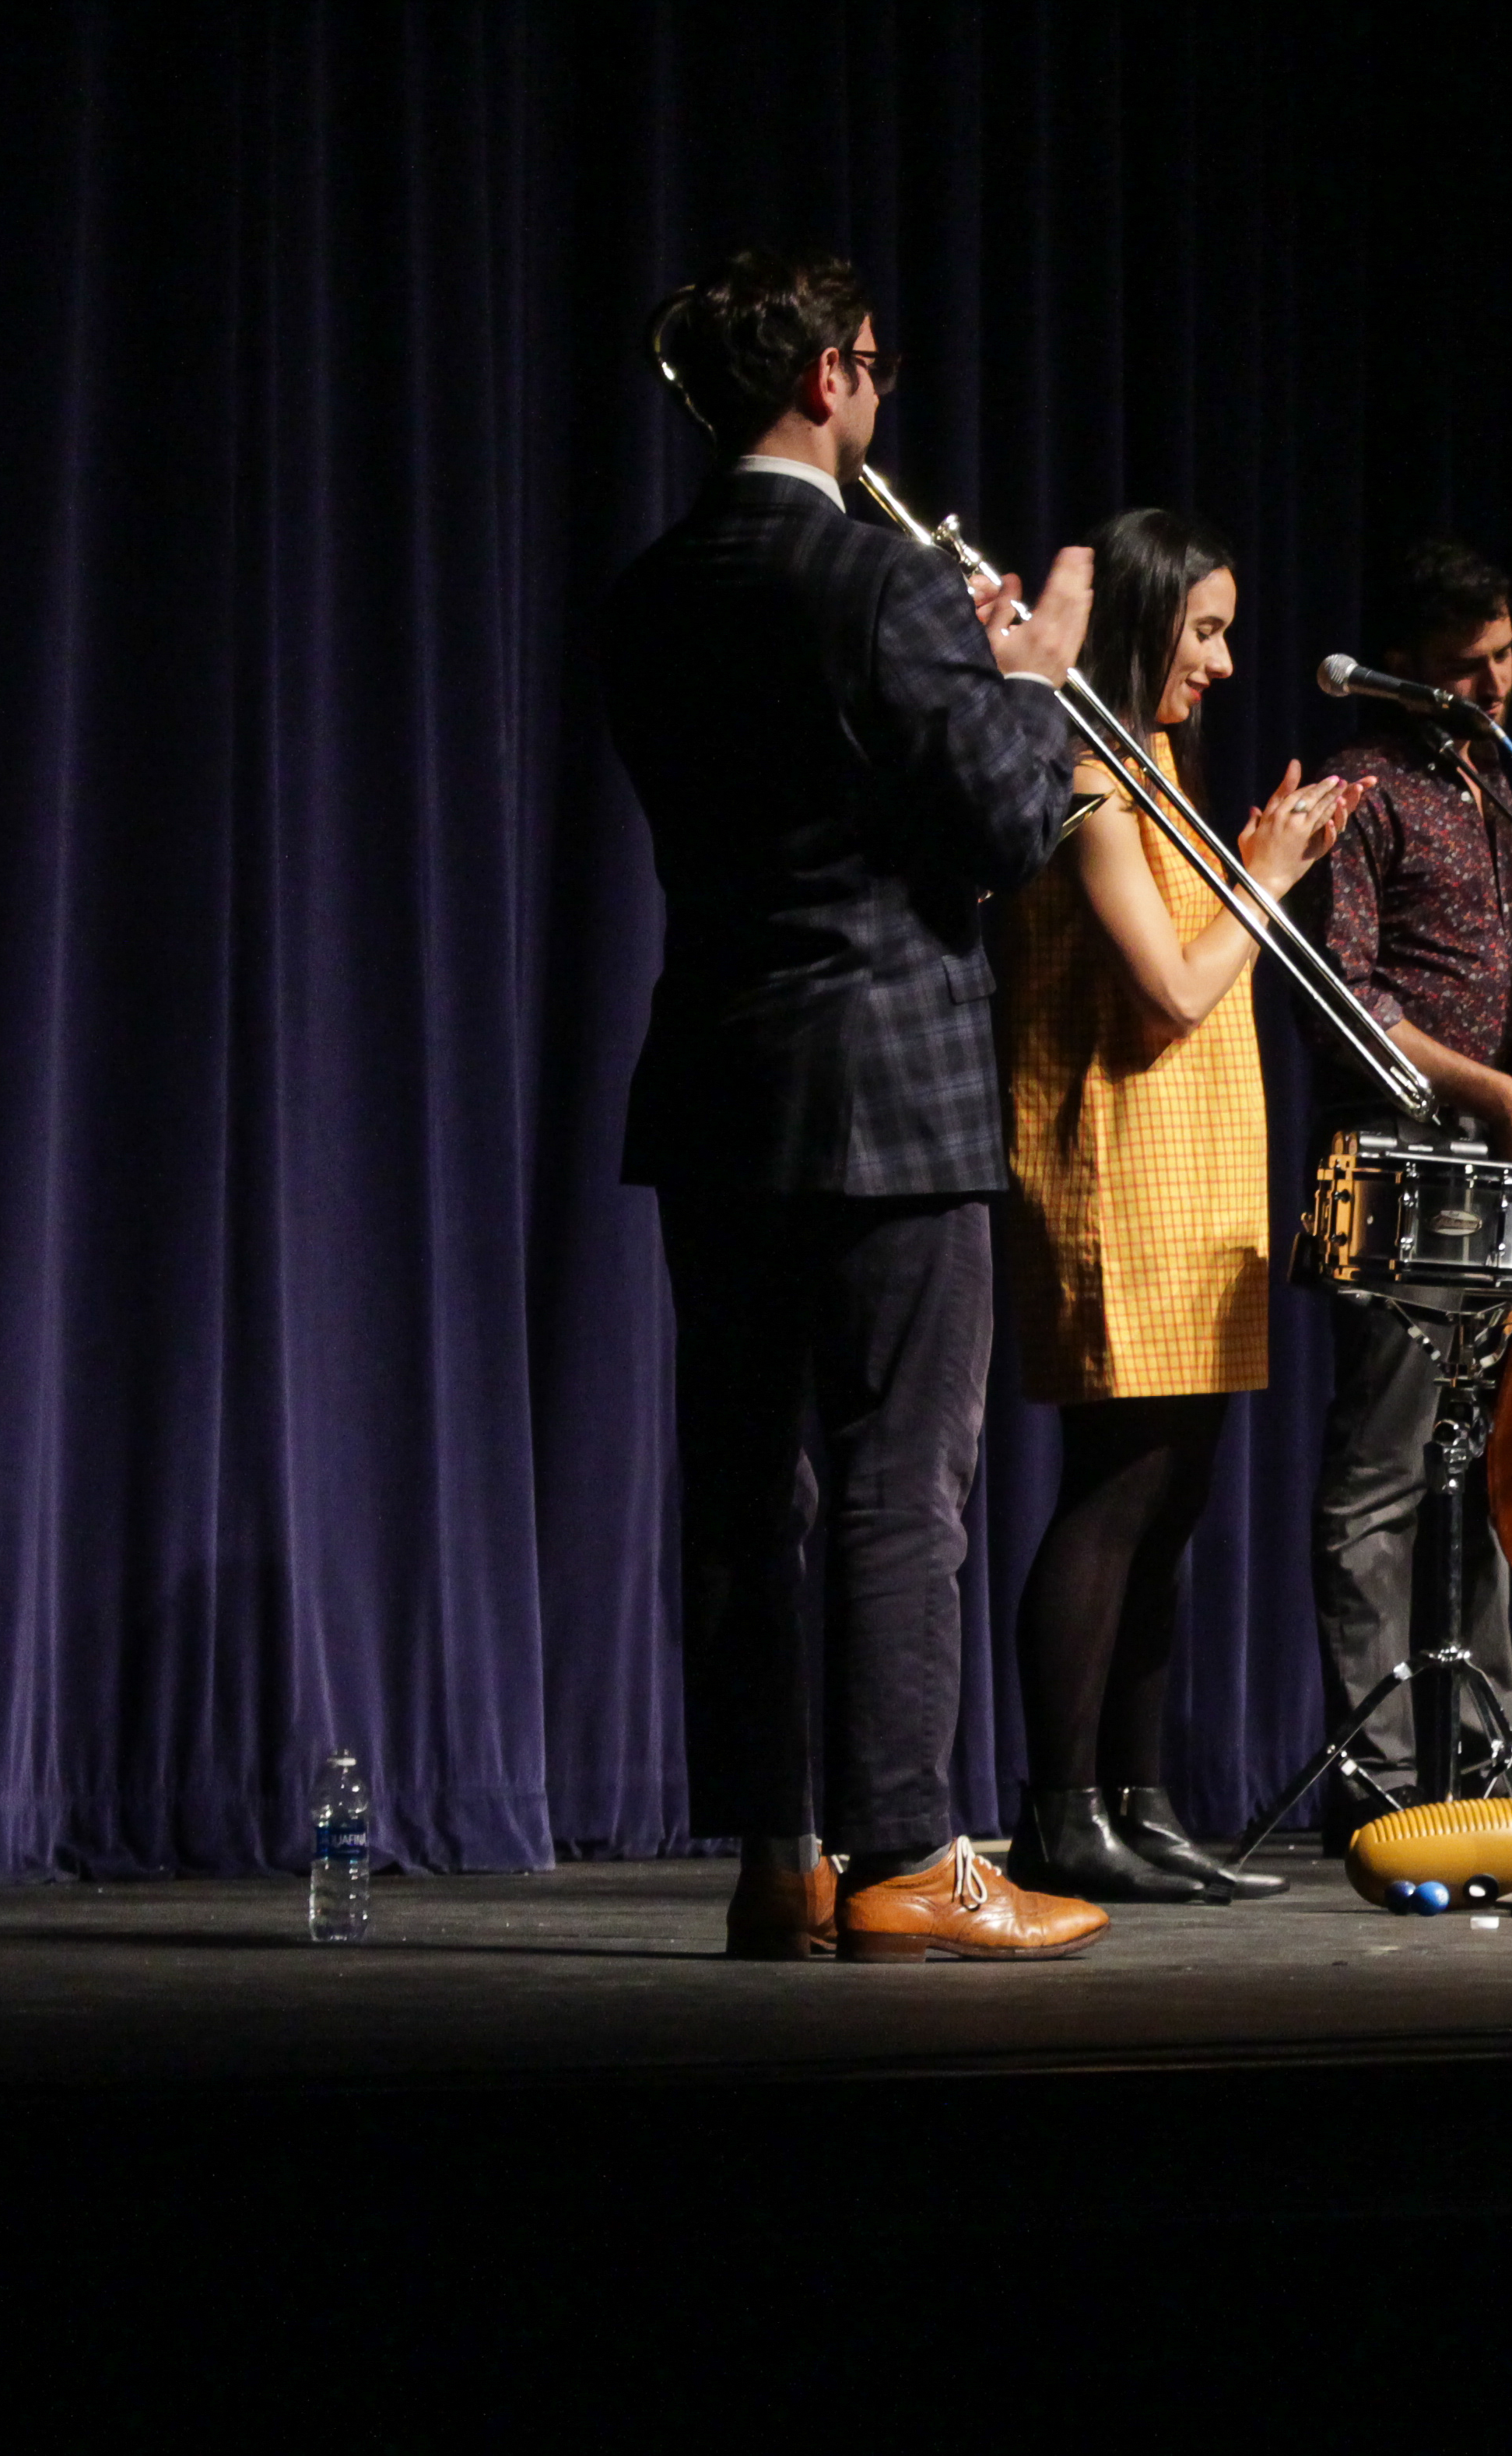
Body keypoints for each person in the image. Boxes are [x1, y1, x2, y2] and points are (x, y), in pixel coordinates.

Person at [602, 248, 1108, 1962]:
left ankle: (779, 1858)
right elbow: (1002, 833)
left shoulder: (653, 587)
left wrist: (950, 688)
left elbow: (787, 803)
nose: (881, 396)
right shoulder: (882, 581)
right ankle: (907, 1853)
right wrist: (1027, 680)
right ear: (826, 378)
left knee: (748, 1482)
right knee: (907, 1474)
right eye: (873, 366)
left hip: (721, 1080)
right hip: (889, 1082)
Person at [992, 508, 1359, 1904]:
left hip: (1195, 1171)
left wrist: (1254, 860)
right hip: (1115, 1167)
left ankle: (1138, 1802)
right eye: (1200, 631)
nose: (1217, 661)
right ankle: (1059, 1810)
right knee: (1118, 1486)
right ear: (1143, 625)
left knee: (1179, 1493)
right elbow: (1168, 995)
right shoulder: (1086, 777)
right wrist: (1268, 879)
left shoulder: (1154, 768)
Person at [1306, 539, 1512, 1836]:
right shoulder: (1359, 792)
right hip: (1396, 1150)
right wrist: (1493, 1090)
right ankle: (1376, 1775)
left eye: (1505, 659)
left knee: (1471, 1464)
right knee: (1381, 1471)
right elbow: (1353, 1000)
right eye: (1463, 668)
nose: (1491, 687)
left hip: (1487, 1161)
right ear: (1406, 671)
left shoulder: (1486, 793)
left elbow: (1496, 977)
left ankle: (1479, 1765)